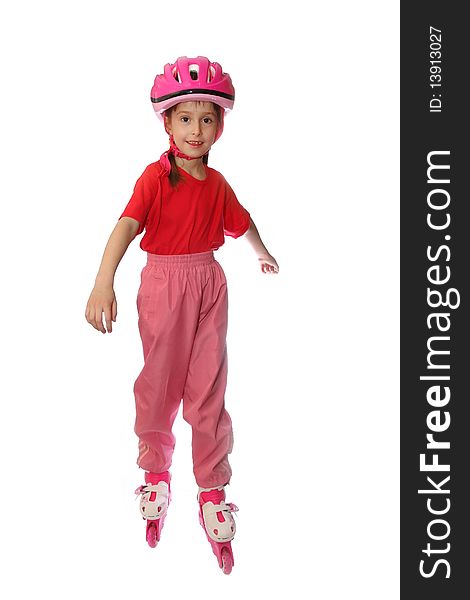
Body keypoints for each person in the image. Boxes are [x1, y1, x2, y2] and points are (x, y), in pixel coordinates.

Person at [85, 56, 279, 571]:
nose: (197, 129)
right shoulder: (155, 177)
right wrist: (103, 282)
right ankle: (156, 473)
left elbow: (242, 222)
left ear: (221, 125)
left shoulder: (218, 186)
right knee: (160, 385)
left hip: (209, 284)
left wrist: (260, 251)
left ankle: (213, 489)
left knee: (208, 387)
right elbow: (126, 227)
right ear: (167, 122)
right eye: (186, 118)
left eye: (208, 118)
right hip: (164, 284)